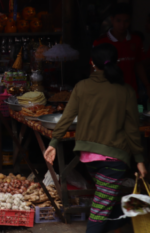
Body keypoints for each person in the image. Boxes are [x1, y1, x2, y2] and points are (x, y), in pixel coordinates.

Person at [44, 43, 147, 233]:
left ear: (92, 63)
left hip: (88, 158)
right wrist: (139, 160)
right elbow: (133, 130)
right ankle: (129, 216)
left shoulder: (82, 87)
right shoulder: (126, 91)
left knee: (104, 206)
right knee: (100, 211)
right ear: (116, 63)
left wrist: (53, 142)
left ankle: (129, 215)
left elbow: (67, 117)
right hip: (113, 160)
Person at [93, 3, 150, 99]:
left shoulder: (136, 40)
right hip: (108, 95)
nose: (122, 25)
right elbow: (94, 68)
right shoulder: (100, 42)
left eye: (126, 21)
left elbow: (138, 64)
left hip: (131, 93)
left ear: (130, 20)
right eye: (118, 21)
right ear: (112, 20)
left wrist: (147, 85)